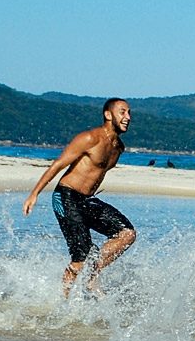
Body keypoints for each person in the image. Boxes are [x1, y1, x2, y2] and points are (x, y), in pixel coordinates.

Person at [22, 98, 136, 297]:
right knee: (79, 259)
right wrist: (34, 194)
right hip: (66, 197)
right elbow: (58, 165)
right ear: (108, 115)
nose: (127, 117)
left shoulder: (118, 148)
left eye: (129, 113)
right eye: (122, 112)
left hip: (87, 200)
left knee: (127, 234)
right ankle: (62, 301)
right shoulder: (90, 138)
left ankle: (91, 275)